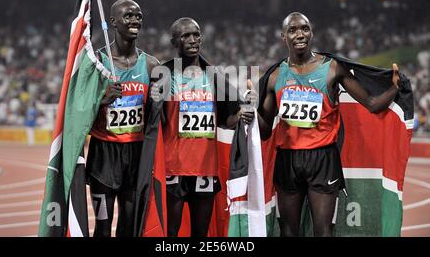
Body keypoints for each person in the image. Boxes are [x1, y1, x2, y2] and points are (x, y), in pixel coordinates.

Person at [257, 12, 400, 237]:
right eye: (293, 30)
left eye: (305, 28)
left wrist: (394, 88)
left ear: (312, 32)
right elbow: (264, 131)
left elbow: (372, 104)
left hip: (322, 158)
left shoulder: (332, 68)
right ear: (283, 36)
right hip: (288, 159)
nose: (300, 34)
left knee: (323, 231)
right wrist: (249, 112)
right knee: (287, 231)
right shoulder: (275, 77)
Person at [158, 17, 254, 237]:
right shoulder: (165, 75)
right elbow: (156, 118)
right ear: (175, 42)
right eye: (185, 35)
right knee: (171, 233)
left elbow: (223, 119)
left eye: (196, 34)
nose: (193, 40)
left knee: (201, 234)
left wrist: (240, 115)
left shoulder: (215, 78)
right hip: (174, 168)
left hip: (205, 169)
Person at [86, 0, 159, 237]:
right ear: (113, 22)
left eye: (138, 16)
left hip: (136, 157)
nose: (135, 20)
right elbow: (77, 114)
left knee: (129, 227)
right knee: (103, 226)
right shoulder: (97, 64)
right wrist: (101, 99)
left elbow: (160, 115)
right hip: (103, 157)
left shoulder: (151, 65)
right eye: (128, 16)